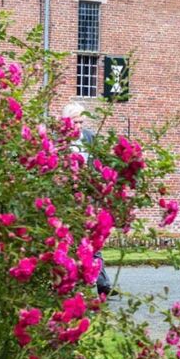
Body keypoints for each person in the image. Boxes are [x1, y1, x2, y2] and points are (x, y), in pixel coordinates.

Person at [62, 102, 114, 297]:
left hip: (88, 198)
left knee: (93, 240)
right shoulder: (60, 141)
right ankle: (73, 284)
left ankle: (103, 284)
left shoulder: (91, 138)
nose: (79, 126)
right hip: (66, 199)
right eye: (76, 122)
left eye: (82, 121)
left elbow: (100, 163)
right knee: (71, 242)